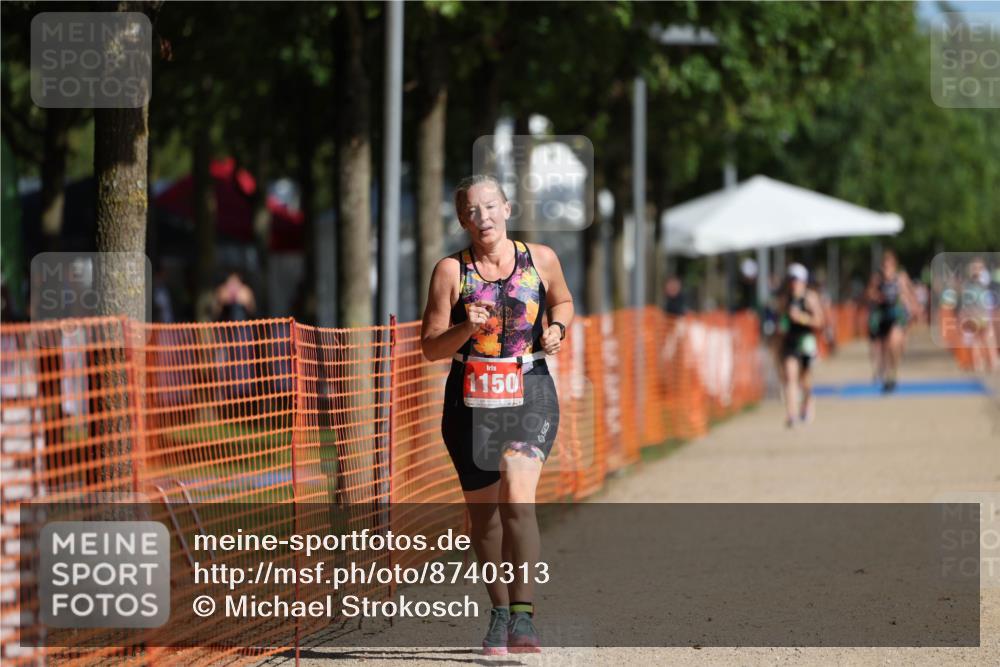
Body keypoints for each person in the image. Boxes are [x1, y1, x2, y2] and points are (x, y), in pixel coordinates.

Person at [421, 175, 573, 654]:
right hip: (470, 397)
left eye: (490, 206)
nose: (481, 216)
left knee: (516, 498)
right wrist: (467, 326)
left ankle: (524, 617)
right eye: (471, 209)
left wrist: (558, 329)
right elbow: (430, 347)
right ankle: (500, 613)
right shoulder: (450, 271)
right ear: (462, 218)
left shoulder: (540, 259)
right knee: (484, 520)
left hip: (529, 388)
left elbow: (562, 301)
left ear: (507, 209)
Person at [777, 263, 824, 428]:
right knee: (790, 377)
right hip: (790, 341)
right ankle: (792, 414)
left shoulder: (810, 298)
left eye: (797, 280)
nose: (794, 283)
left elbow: (820, 321)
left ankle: (807, 404)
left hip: (806, 341)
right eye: (792, 280)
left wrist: (802, 318)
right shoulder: (785, 299)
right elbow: (781, 320)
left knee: (805, 380)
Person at [866, 250, 916, 392]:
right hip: (882, 315)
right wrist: (876, 296)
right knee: (884, 348)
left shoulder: (900, 278)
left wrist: (913, 308)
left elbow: (910, 293)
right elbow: (869, 294)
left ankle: (892, 372)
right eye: (885, 265)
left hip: (896, 314)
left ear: (895, 265)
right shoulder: (877, 279)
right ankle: (887, 375)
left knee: (894, 344)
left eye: (890, 265)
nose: (887, 268)